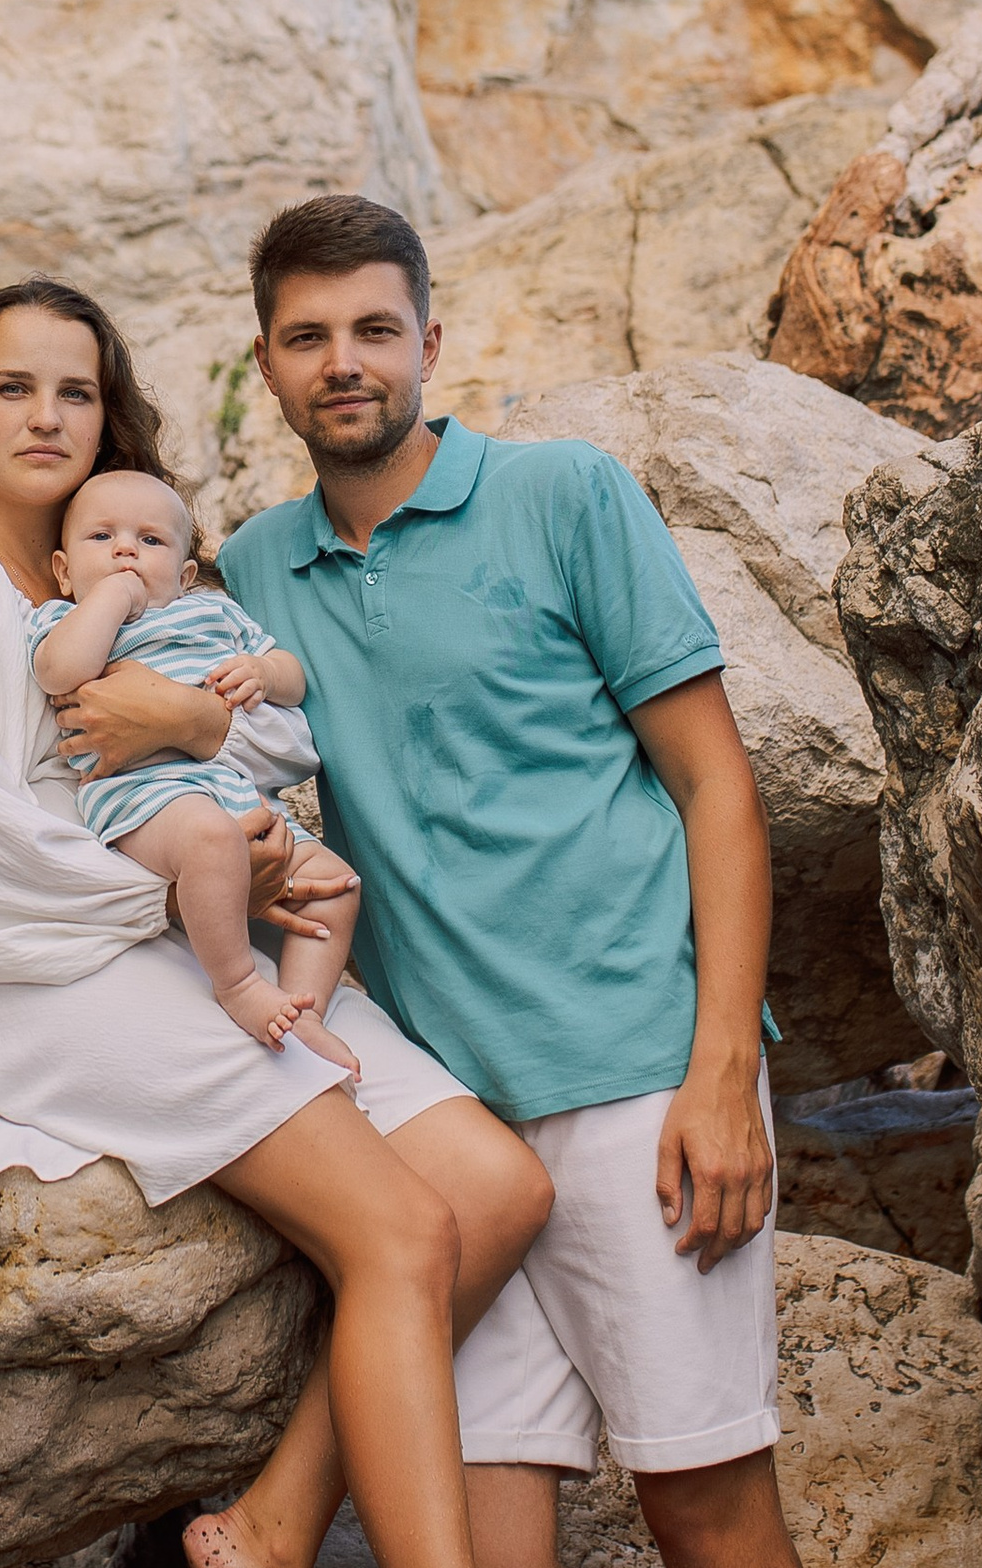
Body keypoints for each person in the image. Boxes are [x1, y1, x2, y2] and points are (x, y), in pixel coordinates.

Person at [0, 280, 557, 1568]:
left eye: (76, 389)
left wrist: (219, 790)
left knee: (497, 1189)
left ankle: (273, 1526)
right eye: (12, 386)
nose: (48, 415)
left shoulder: (139, 552)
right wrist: (194, 876)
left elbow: (275, 723)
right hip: (51, 963)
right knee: (402, 1230)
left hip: (203, 920)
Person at [218, 197, 801, 1568]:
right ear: (267, 366)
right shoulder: (248, 572)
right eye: (308, 337)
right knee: (478, 1525)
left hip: (636, 1076)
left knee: (703, 1507)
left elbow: (719, 788)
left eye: (373, 328)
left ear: (431, 336)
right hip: (450, 1135)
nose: (344, 361)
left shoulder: (565, 495)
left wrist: (721, 1077)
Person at [28, 468, 360, 1070]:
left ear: (183, 575)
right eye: (102, 538)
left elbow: (290, 672)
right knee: (210, 842)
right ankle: (237, 984)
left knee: (337, 886)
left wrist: (265, 674)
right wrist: (110, 597)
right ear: (63, 570)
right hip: (144, 797)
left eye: (150, 541)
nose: (126, 550)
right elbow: (58, 672)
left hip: (233, 789)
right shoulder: (64, 619)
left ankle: (306, 1009)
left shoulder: (212, 613)